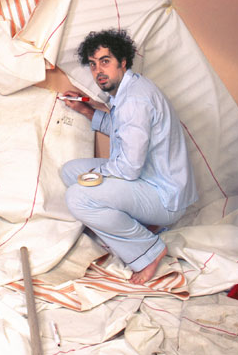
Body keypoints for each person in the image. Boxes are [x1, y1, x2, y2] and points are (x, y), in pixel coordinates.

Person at [60, 28, 198, 284]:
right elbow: (122, 130)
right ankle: (139, 228)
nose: (98, 71)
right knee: (70, 171)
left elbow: (129, 169)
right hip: (148, 179)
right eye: (93, 64)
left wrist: (95, 176)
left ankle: (148, 252)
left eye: (105, 61)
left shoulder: (135, 100)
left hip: (163, 195)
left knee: (77, 196)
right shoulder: (129, 90)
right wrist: (85, 110)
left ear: (122, 61)